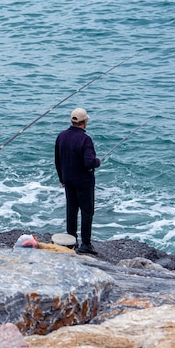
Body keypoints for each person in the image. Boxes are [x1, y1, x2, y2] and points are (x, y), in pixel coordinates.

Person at [55, 108, 101, 255]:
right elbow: (89, 163)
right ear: (84, 122)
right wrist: (97, 162)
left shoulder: (61, 136)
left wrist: (62, 178)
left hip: (68, 180)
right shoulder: (85, 139)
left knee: (71, 210)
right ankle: (86, 244)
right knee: (87, 212)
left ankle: (71, 241)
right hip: (84, 182)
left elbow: (57, 159)